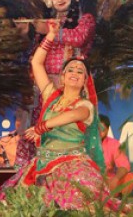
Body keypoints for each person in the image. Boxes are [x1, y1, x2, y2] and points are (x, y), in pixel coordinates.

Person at [14, 20, 108, 210]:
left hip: (73, 165)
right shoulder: (51, 96)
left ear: (84, 81)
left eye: (80, 72)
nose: (75, 73)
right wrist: (51, 35)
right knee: (13, 206)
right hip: (42, 164)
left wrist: (43, 126)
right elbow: (36, 63)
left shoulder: (85, 106)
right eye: (70, 70)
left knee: (83, 205)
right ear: (63, 77)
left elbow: (72, 116)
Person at [14, 0, 96, 167]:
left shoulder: (85, 20)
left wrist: (51, 32)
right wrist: (25, 33)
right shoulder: (43, 25)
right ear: (48, 0)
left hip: (70, 88)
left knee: (64, 130)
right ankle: (29, 175)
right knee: (31, 132)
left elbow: (78, 38)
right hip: (43, 88)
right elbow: (33, 58)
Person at [99, 114, 133, 196]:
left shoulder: (114, 144)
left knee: (129, 178)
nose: (99, 132)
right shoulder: (84, 142)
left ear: (107, 130)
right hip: (88, 179)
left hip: (107, 181)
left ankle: (118, 199)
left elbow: (124, 166)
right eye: (96, 129)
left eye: (102, 129)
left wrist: (116, 179)